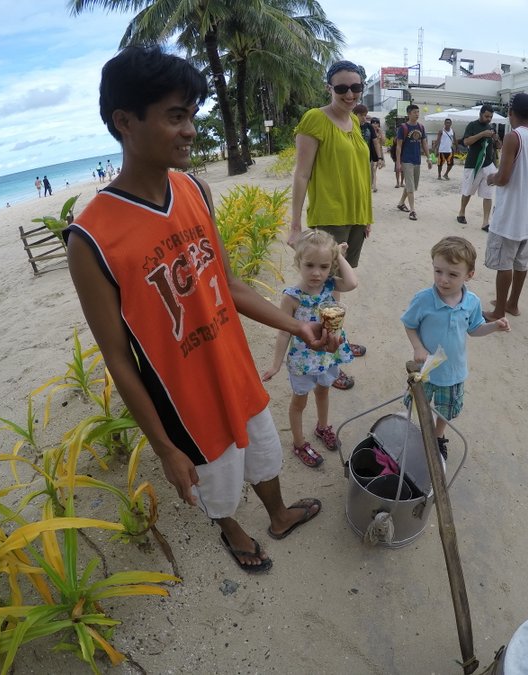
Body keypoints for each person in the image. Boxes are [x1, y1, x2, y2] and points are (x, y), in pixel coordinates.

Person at [65, 45, 328, 573]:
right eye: (175, 116)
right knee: (217, 480)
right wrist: (162, 447)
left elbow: (229, 286)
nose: (190, 130)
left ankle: (277, 514)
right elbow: (118, 358)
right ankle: (233, 531)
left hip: (234, 368)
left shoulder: (194, 190)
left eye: (192, 115)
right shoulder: (91, 236)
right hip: (183, 400)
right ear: (124, 121)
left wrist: (298, 326)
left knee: (262, 451)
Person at [289, 59, 373, 392]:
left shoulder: (353, 120)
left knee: (336, 289)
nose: (349, 94)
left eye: (355, 87)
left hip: (355, 217)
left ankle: (336, 340)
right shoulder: (315, 119)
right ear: (329, 88)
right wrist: (295, 224)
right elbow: (301, 173)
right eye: (342, 88)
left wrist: (366, 216)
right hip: (329, 217)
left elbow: (360, 174)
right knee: (325, 289)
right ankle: (327, 356)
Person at [402, 236, 510, 457]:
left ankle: (437, 437)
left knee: (446, 410)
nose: (443, 280)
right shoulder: (423, 299)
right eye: (438, 271)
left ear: (469, 275)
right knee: (417, 404)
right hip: (426, 370)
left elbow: (474, 329)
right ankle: (415, 433)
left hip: (454, 371)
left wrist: (494, 327)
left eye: (453, 274)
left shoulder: (472, 302)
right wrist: (417, 347)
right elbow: (409, 324)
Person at [262, 231, 358, 468]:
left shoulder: (330, 286)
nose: (317, 272)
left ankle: (322, 427)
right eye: (310, 265)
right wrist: (276, 364)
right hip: (304, 361)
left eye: (324, 266)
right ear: (298, 263)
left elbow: (352, 283)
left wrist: (339, 256)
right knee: (299, 402)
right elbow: (284, 331)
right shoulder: (292, 297)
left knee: (323, 392)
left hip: (327, 355)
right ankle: (298, 442)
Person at [484, 93, 528, 320]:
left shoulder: (514, 137)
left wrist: (491, 178)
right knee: (520, 263)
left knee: (504, 263)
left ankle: (499, 311)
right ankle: (512, 304)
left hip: (509, 214)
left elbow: (502, 178)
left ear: (511, 113)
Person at [456, 104, 501, 228]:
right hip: (473, 164)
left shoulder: (492, 128)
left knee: (488, 194)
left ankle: (486, 222)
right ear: (480, 114)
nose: (489, 119)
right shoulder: (472, 125)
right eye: (486, 116)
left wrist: (496, 139)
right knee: (468, 191)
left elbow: (499, 146)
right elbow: (465, 142)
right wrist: (482, 134)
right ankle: (461, 212)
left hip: (488, 164)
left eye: (491, 117)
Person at [395, 104, 431, 221]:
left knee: (412, 185)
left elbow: (424, 143)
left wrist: (429, 158)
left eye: (418, 112)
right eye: (415, 112)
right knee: (410, 186)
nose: (417, 114)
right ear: (409, 113)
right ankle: (412, 210)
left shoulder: (421, 127)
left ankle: (401, 203)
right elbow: (399, 146)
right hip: (407, 160)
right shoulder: (403, 128)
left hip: (417, 160)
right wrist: (398, 163)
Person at [354, 105, 384, 193]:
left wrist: (379, 158)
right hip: (353, 158)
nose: (364, 118)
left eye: (365, 115)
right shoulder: (349, 125)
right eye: (361, 115)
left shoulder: (369, 127)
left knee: (366, 178)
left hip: (367, 157)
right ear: (354, 115)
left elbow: (375, 142)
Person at [370, 117, 386, 192]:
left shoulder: (380, 132)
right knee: (371, 169)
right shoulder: (369, 131)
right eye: (373, 122)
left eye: (377, 123)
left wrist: (381, 132)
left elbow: (383, 142)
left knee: (374, 169)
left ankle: (374, 185)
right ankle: (371, 184)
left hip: (378, 153)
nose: (375, 124)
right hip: (370, 152)